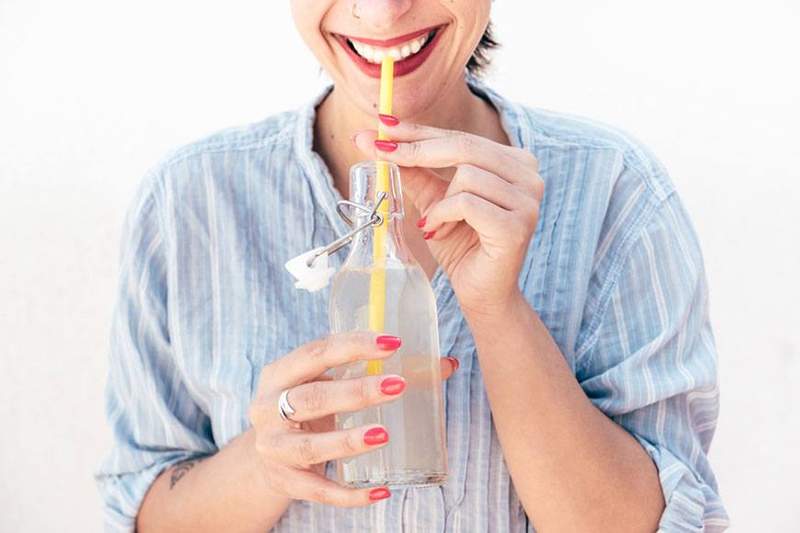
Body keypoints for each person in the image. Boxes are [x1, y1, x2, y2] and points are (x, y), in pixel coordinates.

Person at [95, 1, 729, 531]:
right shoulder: (188, 203)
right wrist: (263, 466)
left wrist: (496, 309)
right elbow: (143, 508)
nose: (383, 10)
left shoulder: (616, 191)